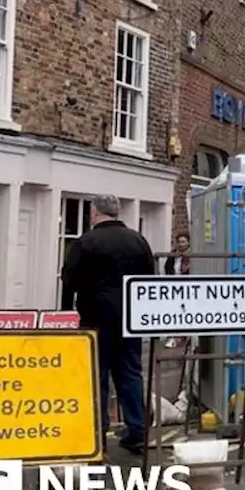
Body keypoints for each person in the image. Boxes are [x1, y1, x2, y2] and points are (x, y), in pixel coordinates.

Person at [60, 194, 155, 455]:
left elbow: (69, 279)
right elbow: (150, 279)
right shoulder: (138, 240)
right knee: (131, 374)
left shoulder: (86, 242)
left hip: (96, 318)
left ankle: (97, 434)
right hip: (131, 319)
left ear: (94, 214)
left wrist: (67, 311)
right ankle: (138, 432)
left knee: (97, 376)